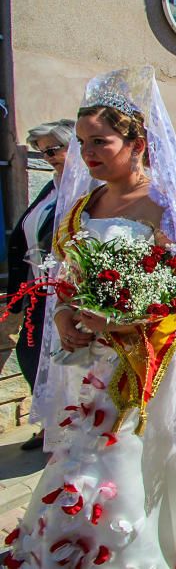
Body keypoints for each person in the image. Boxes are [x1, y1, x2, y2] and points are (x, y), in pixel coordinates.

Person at [7, 67, 176, 568]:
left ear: (136, 143)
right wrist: (65, 312)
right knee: (87, 438)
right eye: (83, 141)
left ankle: (126, 544)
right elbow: (67, 273)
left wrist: (123, 325)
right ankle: (81, 532)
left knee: (126, 444)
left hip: (147, 355)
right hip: (91, 355)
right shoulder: (85, 205)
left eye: (100, 141)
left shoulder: (165, 204)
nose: (88, 152)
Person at [4, 119, 73, 450]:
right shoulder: (51, 187)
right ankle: (51, 423)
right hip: (37, 289)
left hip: (66, 291)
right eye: (42, 151)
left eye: (53, 149)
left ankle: (70, 429)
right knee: (31, 354)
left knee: (64, 362)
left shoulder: (85, 190)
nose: (48, 157)